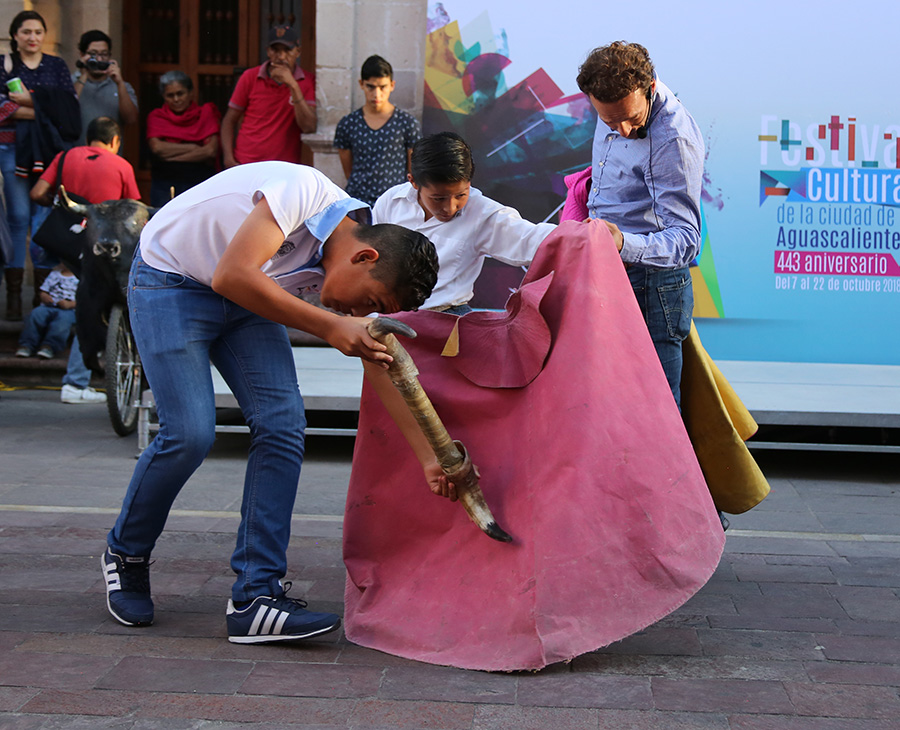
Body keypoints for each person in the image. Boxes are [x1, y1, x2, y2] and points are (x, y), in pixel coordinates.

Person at [100, 161, 438, 644]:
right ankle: (126, 553)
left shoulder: (333, 269)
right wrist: (331, 326)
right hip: (169, 281)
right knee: (190, 434)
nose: (364, 316)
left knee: (283, 427)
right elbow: (232, 274)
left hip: (246, 301)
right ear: (364, 257)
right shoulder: (302, 190)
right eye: (373, 302)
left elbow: (378, 362)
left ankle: (256, 597)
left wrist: (429, 460)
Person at [575, 41, 704, 409]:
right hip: (606, 274)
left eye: (632, 118)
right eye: (610, 122)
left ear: (649, 88)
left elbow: (687, 240)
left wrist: (622, 242)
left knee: (656, 413)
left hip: (653, 287)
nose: (625, 131)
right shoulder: (614, 105)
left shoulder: (673, 139)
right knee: (609, 407)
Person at [31, 116, 139, 405]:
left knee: (85, 304)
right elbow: (134, 211)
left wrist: (63, 209)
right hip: (101, 249)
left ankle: (77, 378)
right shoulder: (121, 165)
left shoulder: (65, 156)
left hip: (67, 243)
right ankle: (77, 382)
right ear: (115, 141)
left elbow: (37, 192)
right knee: (92, 307)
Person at [0, 9, 80, 321]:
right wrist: (46, 106)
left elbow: (69, 111)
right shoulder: (4, 64)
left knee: (45, 222)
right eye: (26, 32)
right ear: (15, 35)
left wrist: (25, 102)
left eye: (37, 32)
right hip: (11, 149)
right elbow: (3, 109)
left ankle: (41, 296)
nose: (32, 38)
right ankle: (15, 298)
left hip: (49, 153)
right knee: (19, 219)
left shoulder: (57, 65)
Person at [220, 25, 315, 168]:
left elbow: (309, 126)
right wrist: (228, 158)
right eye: (275, 50)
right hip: (246, 162)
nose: (281, 57)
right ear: (268, 52)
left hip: (283, 167)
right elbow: (229, 120)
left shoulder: (307, 81)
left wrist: (293, 85)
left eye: (287, 50)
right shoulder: (250, 77)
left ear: (298, 52)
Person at [333, 55, 420, 205]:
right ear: (361, 84)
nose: (377, 94)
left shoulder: (407, 123)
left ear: (392, 85)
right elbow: (348, 170)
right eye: (371, 87)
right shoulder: (348, 124)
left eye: (383, 87)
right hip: (358, 202)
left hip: (395, 202)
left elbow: (414, 170)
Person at [146, 70, 220, 206]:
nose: (176, 99)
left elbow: (210, 151)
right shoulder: (157, 116)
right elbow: (157, 148)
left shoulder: (205, 113)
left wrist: (170, 157)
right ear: (163, 96)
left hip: (200, 181)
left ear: (191, 93)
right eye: (170, 95)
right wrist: (193, 147)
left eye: (180, 93)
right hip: (164, 183)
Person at [72, 30, 139, 148]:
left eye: (104, 54)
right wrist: (83, 75)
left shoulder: (121, 86)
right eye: (93, 54)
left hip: (110, 159)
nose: (99, 59)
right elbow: (65, 110)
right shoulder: (72, 82)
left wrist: (119, 83)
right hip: (77, 157)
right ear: (82, 55)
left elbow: (131, 119)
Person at [15, 261, 77, 360]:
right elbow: (43, 291)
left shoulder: (82, 278)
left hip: (69, 310)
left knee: (62, 322)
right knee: (35, 315)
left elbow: (86, 300)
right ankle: (27, 345)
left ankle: (49, 346)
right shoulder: (54, 274)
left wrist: (70, 304)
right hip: (48, 306)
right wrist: (44, 297)